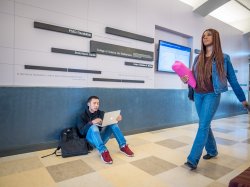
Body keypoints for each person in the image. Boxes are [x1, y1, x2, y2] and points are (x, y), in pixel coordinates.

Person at [181, 28, 248, 170]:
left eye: (208, 35)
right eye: (203, 35)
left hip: (212, 95)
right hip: (198, 94)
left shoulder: (224, 58)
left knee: (203, 125)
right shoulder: (198, 58)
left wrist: (243, 99)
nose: (205, 37)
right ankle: (212, 151)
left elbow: (233, 80)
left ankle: (192, 159)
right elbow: (192, 77)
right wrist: (185, 79)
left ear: (215, 38)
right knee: (205, 124)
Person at [77, 96, 134, 164]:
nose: (96, 105)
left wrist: (116, 120)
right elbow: (81, 132)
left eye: (98, 103)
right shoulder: (82, 116)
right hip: (90, 141)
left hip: (101, 139)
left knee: (113, 124)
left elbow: (111, 122)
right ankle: (103, 151)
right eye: (94, 103)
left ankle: (123, 146)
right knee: (93, 127)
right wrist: (91, 123)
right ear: (88, 104)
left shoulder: (101, 113)